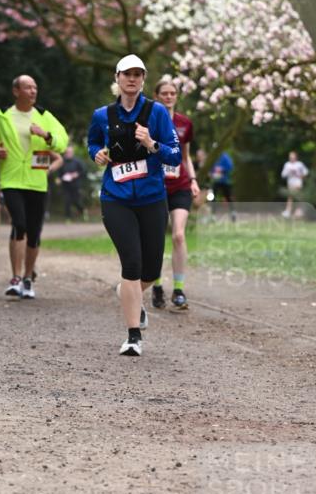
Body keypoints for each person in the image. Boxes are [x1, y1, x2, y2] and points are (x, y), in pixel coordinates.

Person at [88, 55, 182, 356]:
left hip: (152, 198)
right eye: (127, 74)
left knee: (151, 270)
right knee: (131, 263)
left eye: (138, 75)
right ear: (117, 78)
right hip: (115, 198)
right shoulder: (103, 115)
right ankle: (133, 336)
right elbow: (92, 142)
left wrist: (152, 144)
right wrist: (97, 154)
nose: (132, 79)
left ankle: (130, 296)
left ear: (143, 80)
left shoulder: (156, 113)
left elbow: (175, 155)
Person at [0, 75, 68, 299]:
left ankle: (28, 277)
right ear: (16, 91)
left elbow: (63, 140)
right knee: (18, 223)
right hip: (11, 179)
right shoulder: (2, 116)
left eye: (35, 88)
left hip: (37, 181)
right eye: (28, 87)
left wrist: (46, 135)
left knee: (34, 233)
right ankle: (15, 277)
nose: (32, 91)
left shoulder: (44, 116)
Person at [151, 76, 200, 312]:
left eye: (173, 93)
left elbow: (185, 156)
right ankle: (157, 284)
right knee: (156, 237)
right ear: (157, 96)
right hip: (155, 186)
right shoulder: (149, 121)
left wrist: (193, 180)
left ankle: (179, 289)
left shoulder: (185, 123)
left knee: (178, 235)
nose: (169, 97)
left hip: (180, 185)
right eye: (165, 93)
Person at [58, 145, 88, 220]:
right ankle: (68, 218)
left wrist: (76, 174)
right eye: (67, 152)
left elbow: (83, 171)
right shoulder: (62, 162)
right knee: (67, 201)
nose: (68, 154)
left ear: (72, 153)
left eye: (70, 152)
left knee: (76, 201)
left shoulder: (77, 161)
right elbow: (59, 173)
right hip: (66, 185)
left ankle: (83, 211)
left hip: (76, 185)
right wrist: (59, 179)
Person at [281, 150, 309, 218]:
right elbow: (283, 175)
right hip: (290, 183)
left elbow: (306, 172)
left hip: (298, 182)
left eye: (293, 157)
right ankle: (289, 211)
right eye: (290, 157)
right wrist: (289, 171)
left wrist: (300, 175)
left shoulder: (299, 164)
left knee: (296, 196)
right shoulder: (287, 164)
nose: (292, 158)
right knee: (291, 197)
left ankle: (298, 211)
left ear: (296, 157)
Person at [210, 151, 236, 220]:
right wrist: (212, 173)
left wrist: (222, 169)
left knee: (228, 197)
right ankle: (213, 215)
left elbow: (230, 166)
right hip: (216, 181)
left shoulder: (225, 156)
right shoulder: (213, 157)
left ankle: (233, 213)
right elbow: (211, 169)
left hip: (225, 181)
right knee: (212, 197)